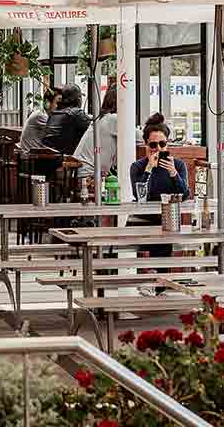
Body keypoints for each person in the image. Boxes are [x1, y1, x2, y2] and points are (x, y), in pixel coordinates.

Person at [126, 115, 192, 288]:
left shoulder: (177, 165)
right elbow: (140, 196)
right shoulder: (138, 167)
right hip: (143, 219)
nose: (158, 149)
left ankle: (157, 282)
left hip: (167, 219)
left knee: (165, 234)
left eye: (162, 144)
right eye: (153, 145)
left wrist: (173, 174)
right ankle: (153, 280)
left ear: (167, 144)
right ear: (146, 145)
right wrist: (149, 168)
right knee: (160, 235)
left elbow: (185, 194)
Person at [75, 84, 119, 184]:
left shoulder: (100, 118)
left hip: (80, 173)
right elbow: (141, 138)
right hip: (89, 177)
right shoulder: (113, 119)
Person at [40, 84, 91, 155]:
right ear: (78, 98)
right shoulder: (76, 113)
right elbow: (93, 130)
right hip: (63, 160)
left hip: (47, 157)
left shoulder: (54, 114)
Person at [19, 88, 59, 152]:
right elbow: (57, 131)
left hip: (31, 154)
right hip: (31, 157)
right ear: (47, 103)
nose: (60, 106)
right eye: (57, 103)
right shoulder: (40, 116)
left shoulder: (40, 113)